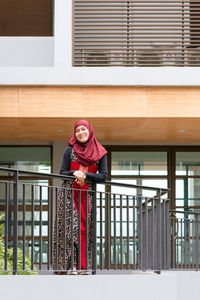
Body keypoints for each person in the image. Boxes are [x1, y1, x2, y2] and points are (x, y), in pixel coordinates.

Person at [52, 120, 107, 275]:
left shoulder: (100, 153)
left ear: (90, 131)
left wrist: (86, 175)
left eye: (84, 129)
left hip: (86, 196)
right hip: (69, 194)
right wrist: (74, 173)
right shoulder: (69, 151)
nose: (81, 133)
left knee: (84, 229)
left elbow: (103, 176)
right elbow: (62, 172)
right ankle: (67, 267)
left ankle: (82, 266)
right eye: (77, 130)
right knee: (69, 229)